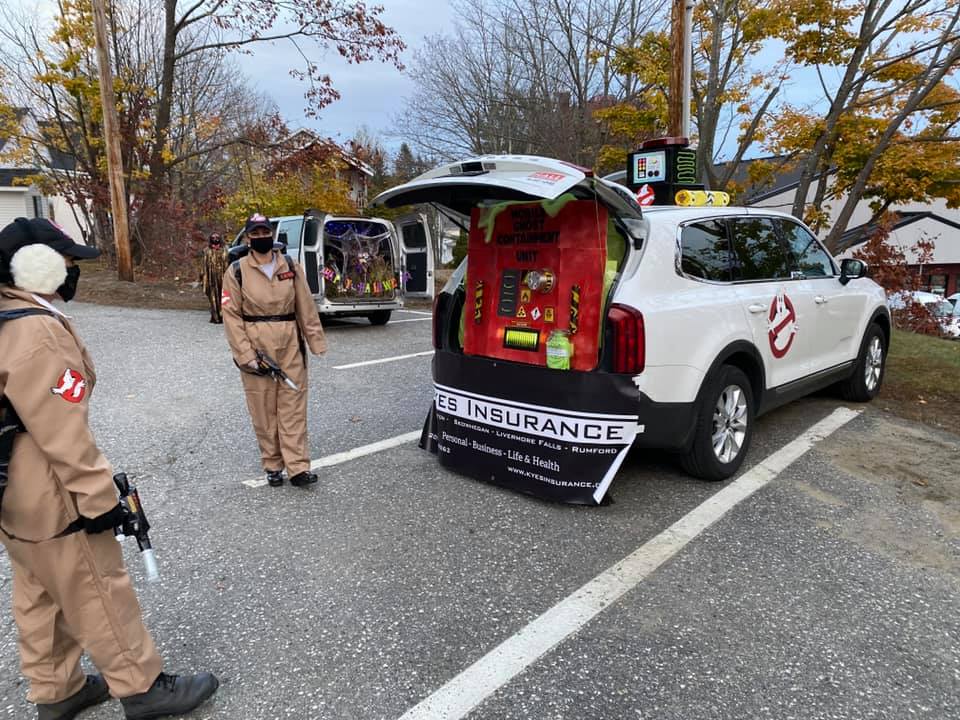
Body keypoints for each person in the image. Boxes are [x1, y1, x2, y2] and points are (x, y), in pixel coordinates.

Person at [0, 217, 218, 720]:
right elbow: (62, 432)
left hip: (12, 494)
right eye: (66, 263)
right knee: (97, 583)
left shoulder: (5, 317)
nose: (71, 272)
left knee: (39, 591)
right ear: (35, 266)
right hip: (49, 490)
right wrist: (98, 500)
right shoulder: (36, 330)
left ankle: (58, 690)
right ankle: (142, 688)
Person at [221, 213, 327, 487]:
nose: (261, 237)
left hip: (290, 343)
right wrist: (246, 355)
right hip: (257, 345)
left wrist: (315, 340)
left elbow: (305, 304)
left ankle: (298, 467)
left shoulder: (290, 265)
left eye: (264, 232)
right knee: (263, 410)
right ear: (247, 238)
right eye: (255, 234)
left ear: (272, 234)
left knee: (293, 406)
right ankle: (273, 464)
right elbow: (231, 317)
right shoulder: (236, 271)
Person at [199, 232, 229, 323]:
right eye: (213, 237)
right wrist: (203, 277)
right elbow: (204, 265)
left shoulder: (225, 250)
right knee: (213, 296)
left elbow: (228, 264)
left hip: (223, 277)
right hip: (211, 278)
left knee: (224, 295)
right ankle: (215, 316)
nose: (215, 239)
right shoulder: (207, 251)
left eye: (217, 237)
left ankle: (224, 316)